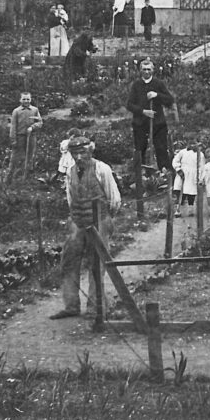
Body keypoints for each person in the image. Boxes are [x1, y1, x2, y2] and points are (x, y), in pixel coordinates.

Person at [49, 135, 122, 320]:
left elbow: (114, 199)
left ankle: (95, 307)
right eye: (75, 153)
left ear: (90, 151)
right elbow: (70, 196)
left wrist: (106, 220)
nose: (79, 157)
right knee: (69, 261)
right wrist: (75, 216)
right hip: (77, 221)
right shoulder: (70, 171)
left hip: (99, 220)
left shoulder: (102, 169)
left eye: (82, 152)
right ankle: (71, 305)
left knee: (97, 263)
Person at [126, 58, 175, 174]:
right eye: (144, 69)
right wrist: (143, 111)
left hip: (158, 123)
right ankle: (140, 176)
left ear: (153, 70)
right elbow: (129, 104)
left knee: (161, 149)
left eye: (149, 69)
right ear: (140, 71)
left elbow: (169, 100)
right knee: (139, 149)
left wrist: (157, 95)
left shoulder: (158, 84)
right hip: (140, 123)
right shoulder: (136, 85)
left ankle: (164, 174)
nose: (146, 72)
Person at [6, 92, 43, 183]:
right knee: (15, 158)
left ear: (30, 99)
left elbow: (40, 122)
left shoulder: (35, 110)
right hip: (20, 137)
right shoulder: (16, 111)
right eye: (24, 99)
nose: (26, 101)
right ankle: (9, 179)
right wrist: (13, 140)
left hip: (31, 137)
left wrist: (32, 127)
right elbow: (13, 126)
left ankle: (26, 178)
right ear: (20, 100)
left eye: (28, 99)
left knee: (29, 157)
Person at [171, 142, 205, 216]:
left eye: (194, 142)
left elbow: (201, 166)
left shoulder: (200, 154)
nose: (192, 144)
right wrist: (178, 169)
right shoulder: (182, 152)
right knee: (179, 191)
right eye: (190, 142)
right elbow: (175, 161)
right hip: (182, 173)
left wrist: (200, 178)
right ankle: (178, 209)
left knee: (191, 193)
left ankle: (190, 209)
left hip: (193, 175)